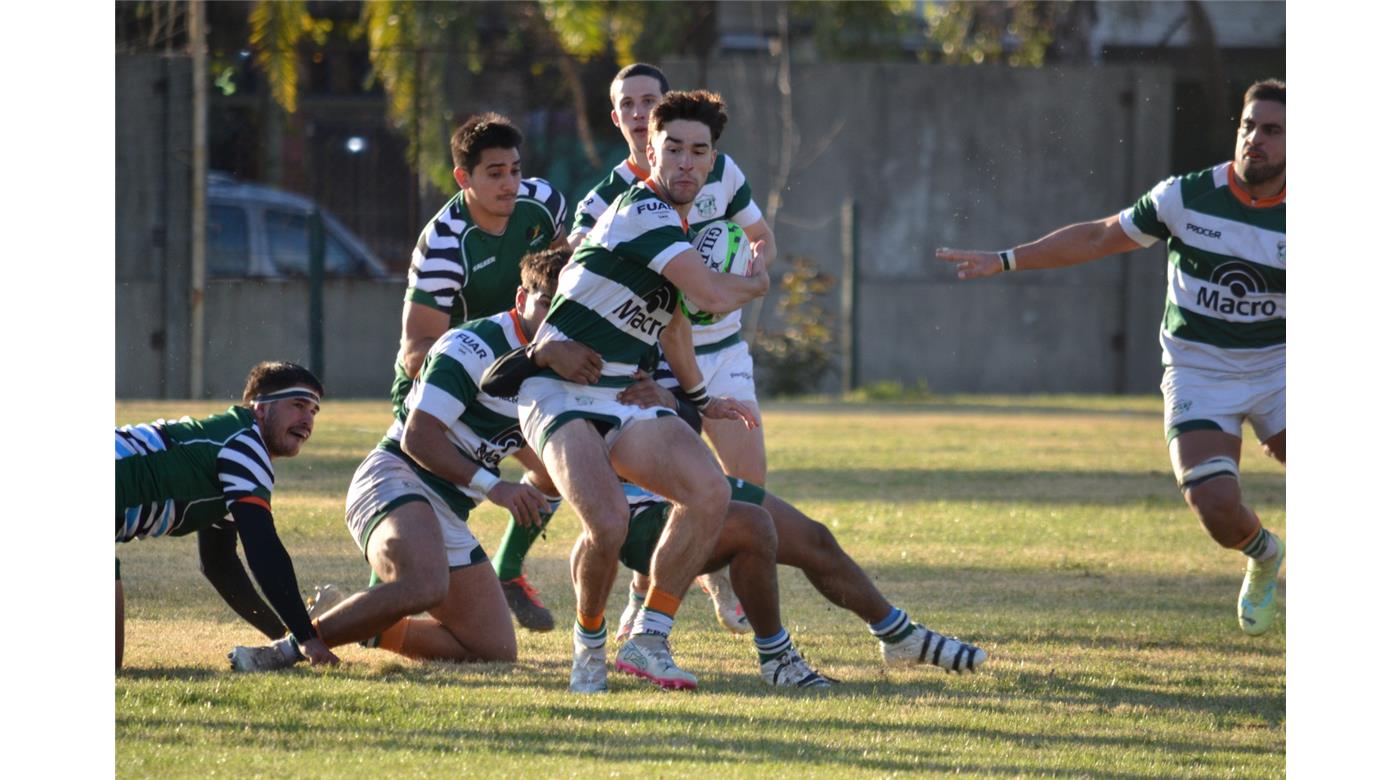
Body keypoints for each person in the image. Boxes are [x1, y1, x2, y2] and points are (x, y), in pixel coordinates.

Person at [935, 79, 1286, 635]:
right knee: (1215, 506)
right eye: (1248, 127)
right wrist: (1003, 260)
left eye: (1272, 131)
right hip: (1200, 369)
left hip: (1281, 367)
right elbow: (1099, 237)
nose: (1255, 140)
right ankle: (1265, 556)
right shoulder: (1185, 198)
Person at [228, 250, 599, 670]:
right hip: (397, 476)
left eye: (569, 305)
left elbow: (529, 444)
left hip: (449, 506)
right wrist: (496, 486)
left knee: (494, 649)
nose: (557, 318)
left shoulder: (565, 356)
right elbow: (419, 437)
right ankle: (285, 650)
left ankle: (366, 621)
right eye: (548, 301)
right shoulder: (473, 345)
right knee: (424, 584)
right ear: (520, 299)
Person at [518, 89, 769, 692]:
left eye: (698, 151)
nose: (685, 161)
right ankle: (589, 645)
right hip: (557, 391)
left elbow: (678, 325)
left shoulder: (683, 224)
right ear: (649, 151)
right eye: (672, 148)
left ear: (713, 163)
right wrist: (754, 283)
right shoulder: (643, 211)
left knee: (710, 491)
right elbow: (708, 296)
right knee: (607, 525)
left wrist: (703, 401)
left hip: (624, 394)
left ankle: (650, 639)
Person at [569, 62, 778, 635]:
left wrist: (756, 263)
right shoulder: (616, 201)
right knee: (669, 495)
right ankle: (643, 608)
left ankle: (664, 598)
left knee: (747, 492)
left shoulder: (719, 170)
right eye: (628, 105)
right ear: (622, 121)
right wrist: (743, 286)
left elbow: (758, 241)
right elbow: (688, 295)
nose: (639, 113)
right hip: (652, 358)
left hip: (720, 350)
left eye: (648, 101)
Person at [396, 112, 570, 632]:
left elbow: (562, 281)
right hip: (451, 383)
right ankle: (399, 593)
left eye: (515, 170)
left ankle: (507, 571)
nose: (509, 184)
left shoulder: (544, 204)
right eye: (494, 173)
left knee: (557, 468)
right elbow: (416, 348)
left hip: (519, 375)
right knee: (436, 504)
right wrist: (483, 363)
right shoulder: (444, 244)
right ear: (463, 178)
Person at [115, 361, 338, 671]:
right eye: (298, 405)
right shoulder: (244, 445)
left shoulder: (231, 442)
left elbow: (219, 563)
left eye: (313, 411)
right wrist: (306, 636)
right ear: (260, 408)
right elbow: (264, 549)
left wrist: (285, 637)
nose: (306, 420)